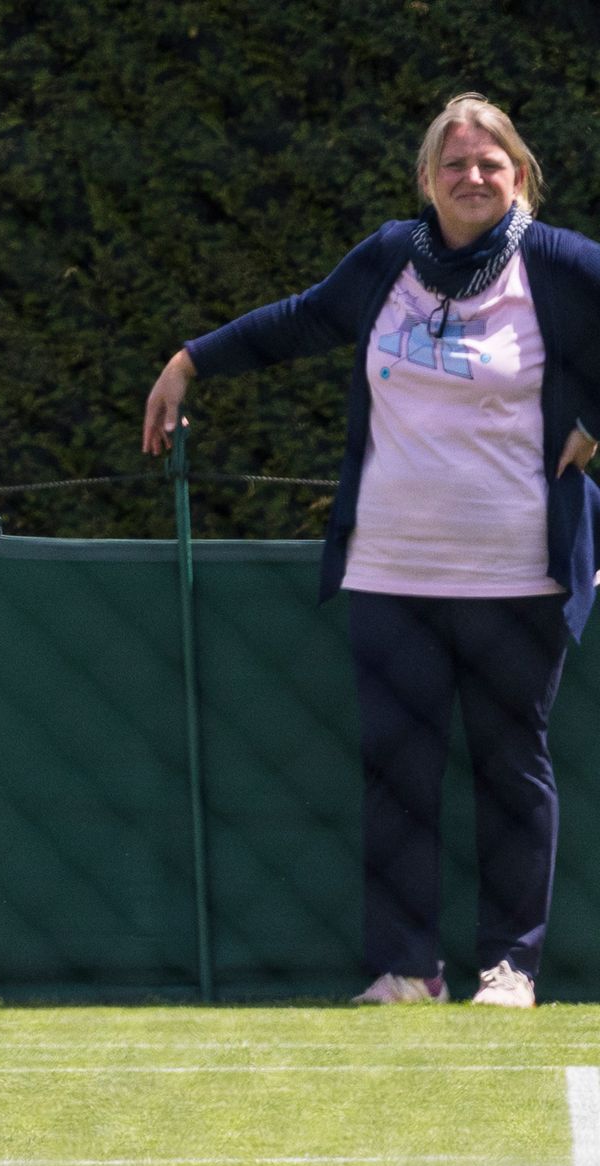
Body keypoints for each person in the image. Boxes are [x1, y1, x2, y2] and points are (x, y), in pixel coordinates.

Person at [142, 93, 600, 1009]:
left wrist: (594, 419)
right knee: (398, 772)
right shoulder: (391, 256)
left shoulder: (557, 262)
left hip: (519, 572)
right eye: (454, 164)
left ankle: (511, 967)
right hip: (389, 570)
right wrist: (191, 359)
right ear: (427, 177)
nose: (472, 178)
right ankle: (408, 970)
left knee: (513, 769)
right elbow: (303, 319)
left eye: (491, 165)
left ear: (520, 177)